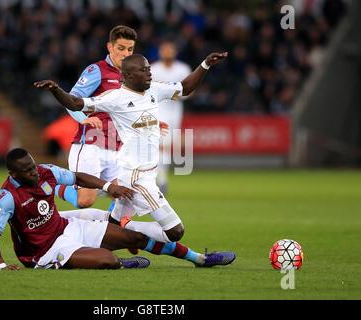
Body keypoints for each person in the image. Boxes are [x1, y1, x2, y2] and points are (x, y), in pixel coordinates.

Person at [34, 51, 231, 252]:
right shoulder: (115, 97)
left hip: (142, 172)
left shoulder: (155, 89)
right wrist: (56, 90)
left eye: (149, 69)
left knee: (110, 223)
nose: (149, 73)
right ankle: (127, 226)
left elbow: (185, 88)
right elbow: (76, 103)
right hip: (137, 178)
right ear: (128, 76)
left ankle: (81, 237)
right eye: (143, 70)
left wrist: (205, 64)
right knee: (175, 232)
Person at [0, 148, 236, 270]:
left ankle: (199, 259)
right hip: (44, 251)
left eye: (33, 166)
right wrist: (1, 266)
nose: (33, 172)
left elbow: (78, 177)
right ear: (13, 174)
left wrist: (108, 187)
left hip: (66, 226)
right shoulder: (7, 196)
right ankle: (122, 262)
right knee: (109, 260)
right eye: (27, 170)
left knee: (136, 237)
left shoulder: (45, 172)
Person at [58, 25, 169, 211]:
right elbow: (71, 100)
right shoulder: (97, 71)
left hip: (118, 148)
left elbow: (130, 110)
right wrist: (82, 118)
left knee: (127, 195)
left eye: (130, 49)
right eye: (121, 48)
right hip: (91, 144)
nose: (126, 53)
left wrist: (152, 122)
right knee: (85, 201)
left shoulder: (132, 77)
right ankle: (53, 183)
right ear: (110, 47)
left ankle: (111, 230)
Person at [150, 40, 192, 194]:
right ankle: (159, 180)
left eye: (170, 49)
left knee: (165, 148)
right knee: (158, 146)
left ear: (175, 51)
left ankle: (161, 179)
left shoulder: (183, 69)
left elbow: (190, 89)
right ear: (160, 52)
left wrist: (179, 95)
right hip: (157, 111)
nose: (167, 52)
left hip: (175, 112)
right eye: (164, 49)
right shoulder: (153, 69)